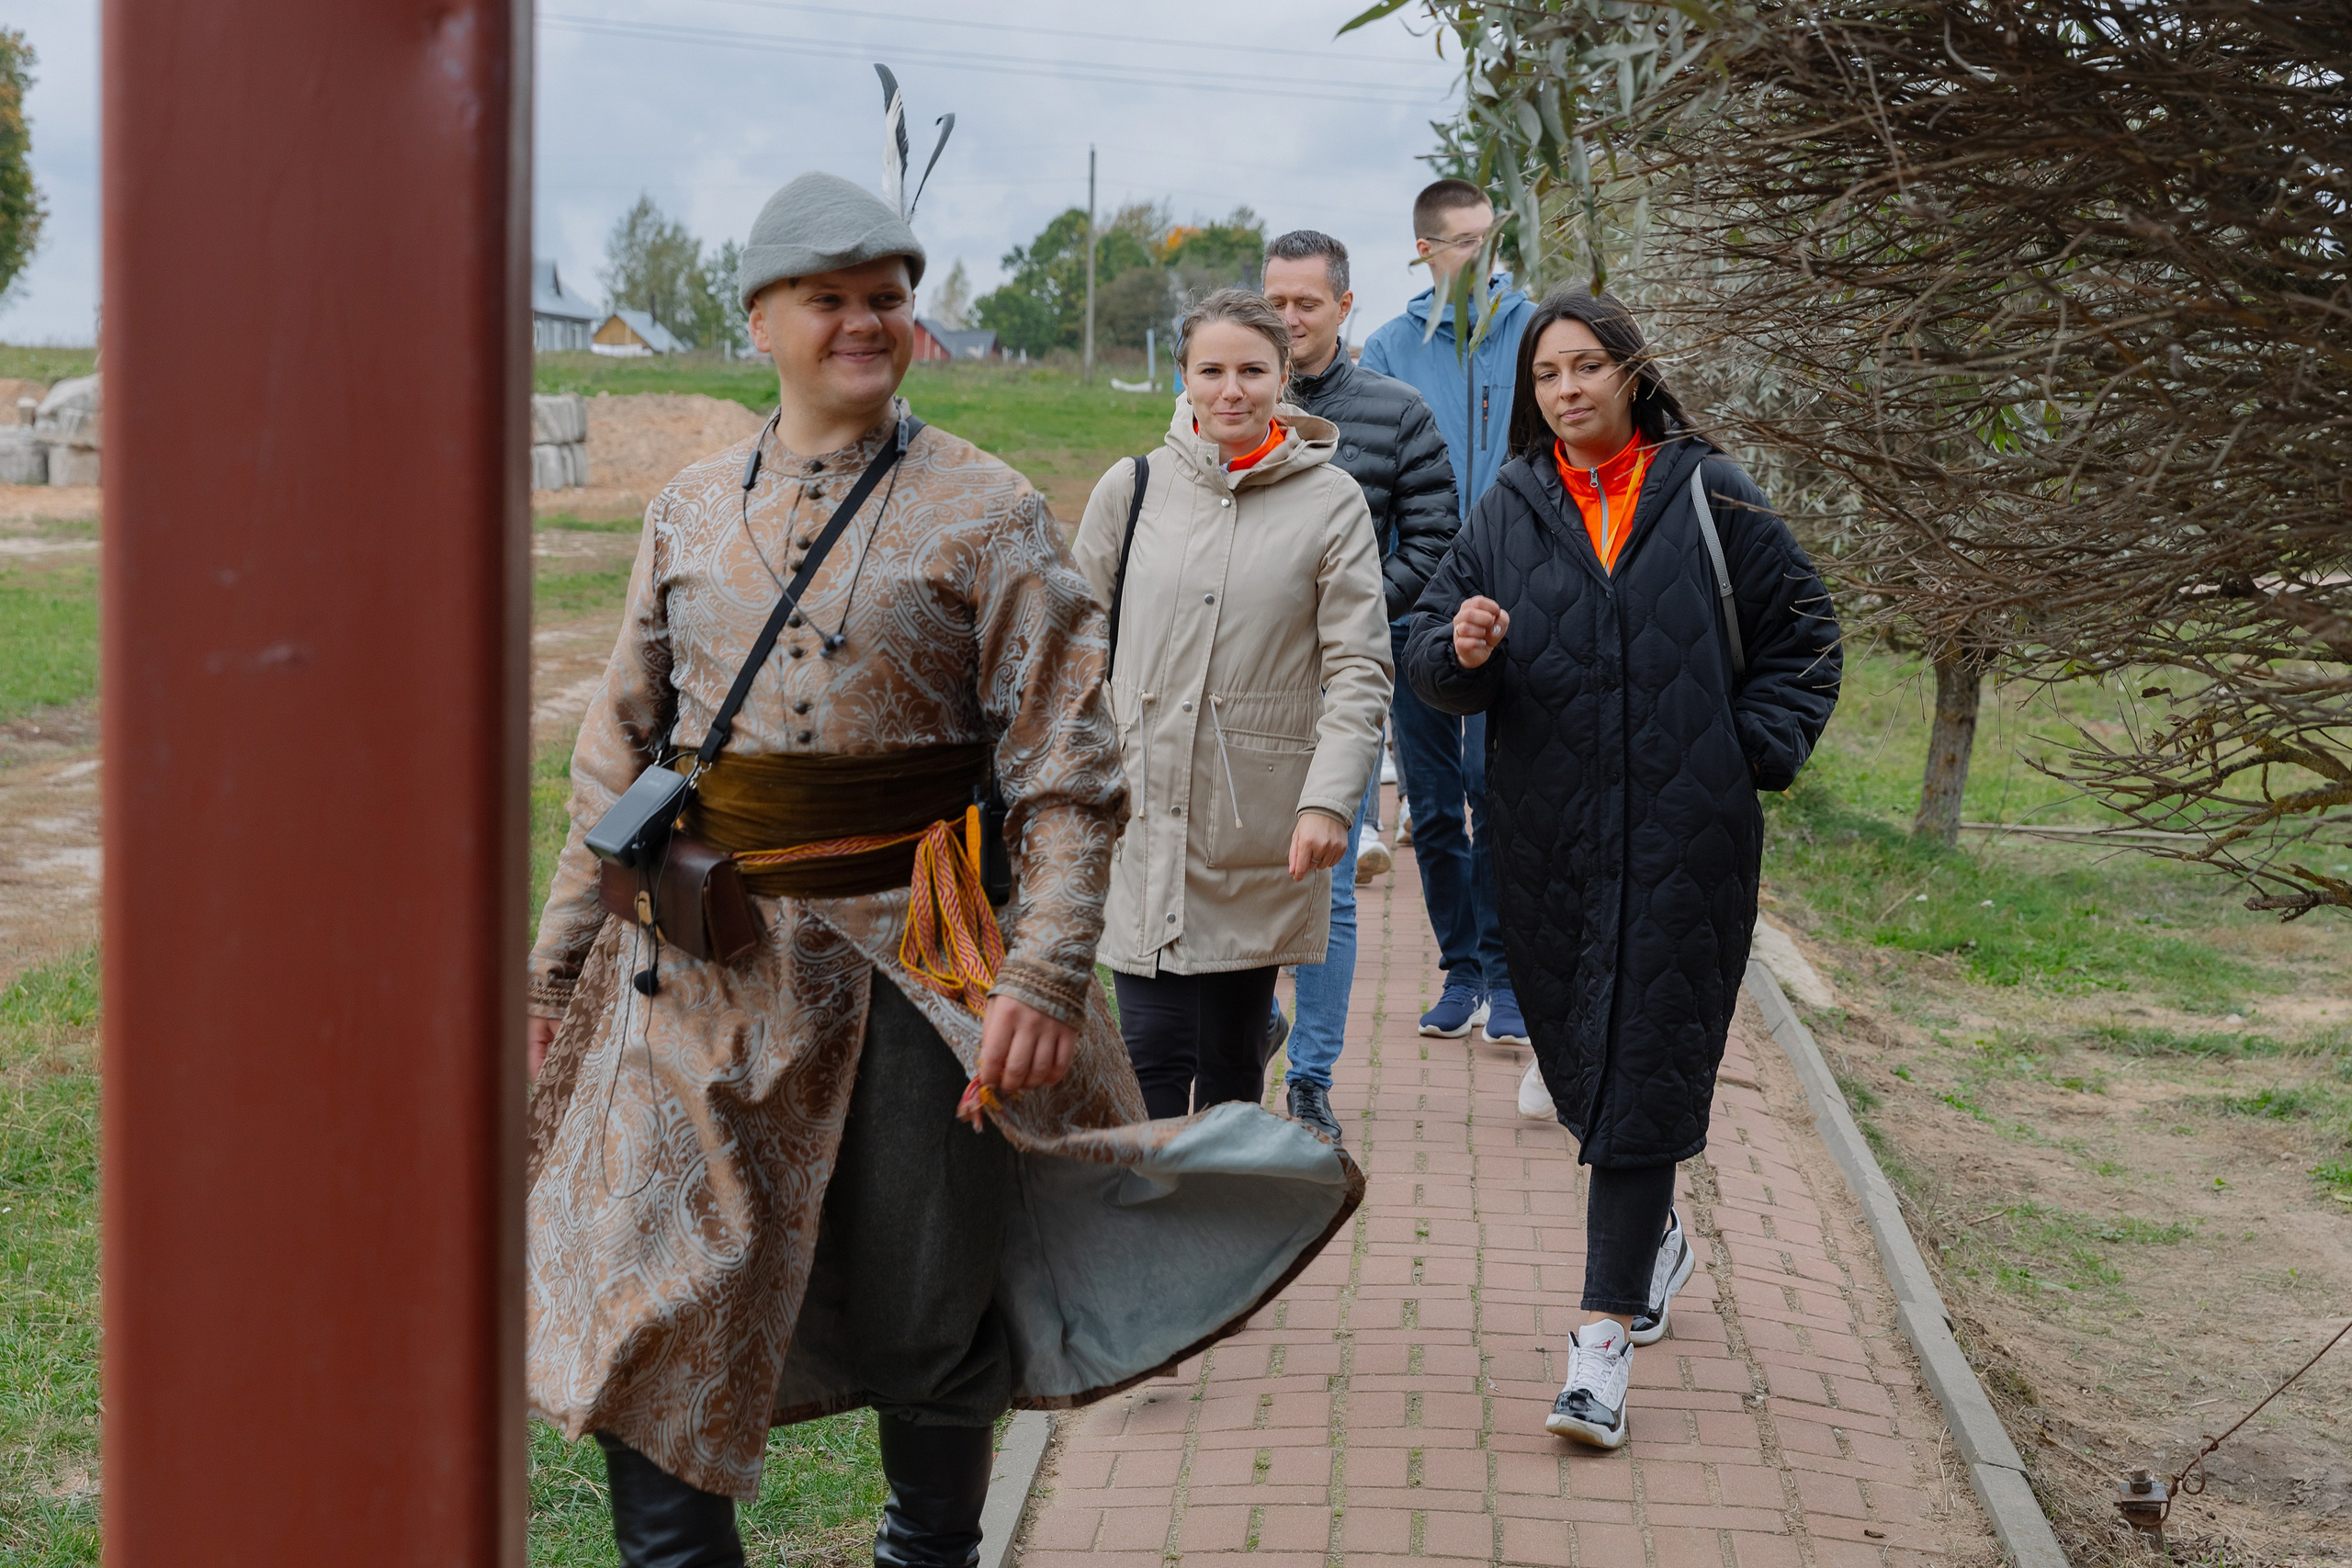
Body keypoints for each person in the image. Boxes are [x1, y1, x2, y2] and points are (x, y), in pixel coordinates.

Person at [524, 175, 1362, 1568]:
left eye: (889, 298)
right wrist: (552, 982)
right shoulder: (682, 511)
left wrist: (1043, 972)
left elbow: (1069, 771)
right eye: (831, 298)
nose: (866, 322)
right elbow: (614, 767)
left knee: (932, 1315)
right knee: (655, 1302)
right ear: (762, 321)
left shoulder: (990, 510)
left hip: (920, 976)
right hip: (699, 979)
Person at [1401, 288, 1841, 1450]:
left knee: (1642, 1064)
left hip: (1686, 839)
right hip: (1545, 840)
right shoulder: (1510, 506)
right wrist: (1460, 649)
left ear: (1632, 374)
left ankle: (1597, 1350)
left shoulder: (1708, 491)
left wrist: (1746, 753)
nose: (1567, 390)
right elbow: (1430, 654)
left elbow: (1805, 635)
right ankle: (1652, 1240)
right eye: (1547, 374)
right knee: (1579, 1064)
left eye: (1586, 367)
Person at [1072, 288, 1392, 1135]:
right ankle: (1146, 1214)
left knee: (1230, 1061)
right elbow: (1071, 648)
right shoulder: (1131, 489)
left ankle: (1222, 1215)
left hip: (1257, 826)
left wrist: (1330, 800)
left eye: (1252, 370)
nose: (1231, 390)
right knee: (1148, 1051)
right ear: (1183, 375)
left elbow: (1360, 666)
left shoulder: (1331, 502)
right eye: (1211, 370)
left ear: (1284, 378)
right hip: (1142, 812)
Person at [1257, 229, 1458, 1145]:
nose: (1288, 318)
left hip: (1341, 681)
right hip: (1241, 680)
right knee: (1237, 871)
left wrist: (1352, 609)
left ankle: (1310, 1080)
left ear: (1343, 306)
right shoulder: (1229, 400)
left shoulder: (1397, 412)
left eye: (1306, 302)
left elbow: (1434, 535)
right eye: (1275, 301)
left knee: (1326, 889)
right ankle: (1252, 1024)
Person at [1361, 178, 1535, 1048]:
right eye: (1465, 241)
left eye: (1489, 238)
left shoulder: (1535, 331)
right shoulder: (1387, 349)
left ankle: (1507, 977)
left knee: (1493, 792)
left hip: (1515, 602)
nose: (1483, 256)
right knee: (1432, 804)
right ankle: (1461, 970)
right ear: (1425, 251)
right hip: (1418, 609)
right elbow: (1374, 481)